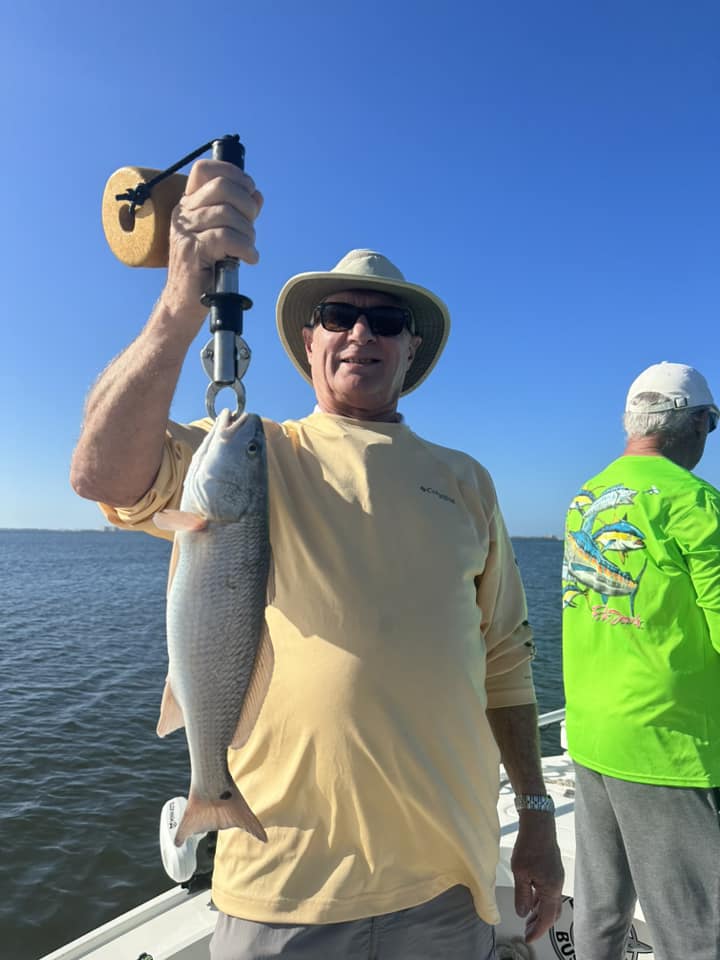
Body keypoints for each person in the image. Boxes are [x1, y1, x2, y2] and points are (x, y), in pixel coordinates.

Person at [71, 157, 563, 959]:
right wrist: (178, 305)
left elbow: (505, 663)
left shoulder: (467, 481)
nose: (361, 332)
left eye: (386, 321)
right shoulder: (255, 449)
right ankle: (211, 795)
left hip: (448, 877)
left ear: (412, 349)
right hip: (281, 882)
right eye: (339, 314)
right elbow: (100, 473)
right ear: (309, 339)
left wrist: (536, 819)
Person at [562, 361, 720, 960]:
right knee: (697, 930)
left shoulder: (588, 495)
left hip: (594, 737)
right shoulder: (697, 504)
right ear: (698, 424)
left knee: (600, 913)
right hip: (669, 749)